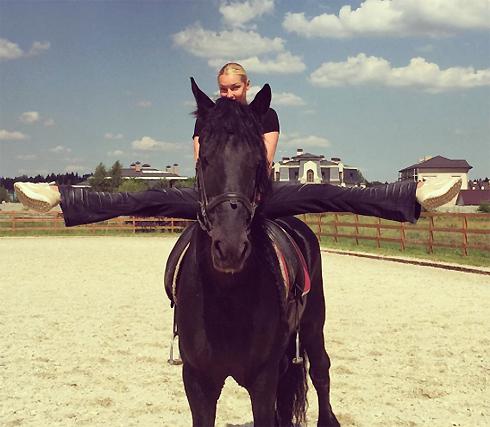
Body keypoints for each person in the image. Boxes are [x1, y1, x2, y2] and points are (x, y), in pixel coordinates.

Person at [14, 63, 461, 226]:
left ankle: (416, 195)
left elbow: (263, 161)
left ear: (247, 86)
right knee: (145, 197)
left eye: (234, 87)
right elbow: (201, 161)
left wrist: (243, 186)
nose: (228, 93)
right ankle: (57, 196)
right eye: (223, 88)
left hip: (259, 194)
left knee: (329, 192)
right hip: (211, 195)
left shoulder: (264, 115)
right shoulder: (207, 117)